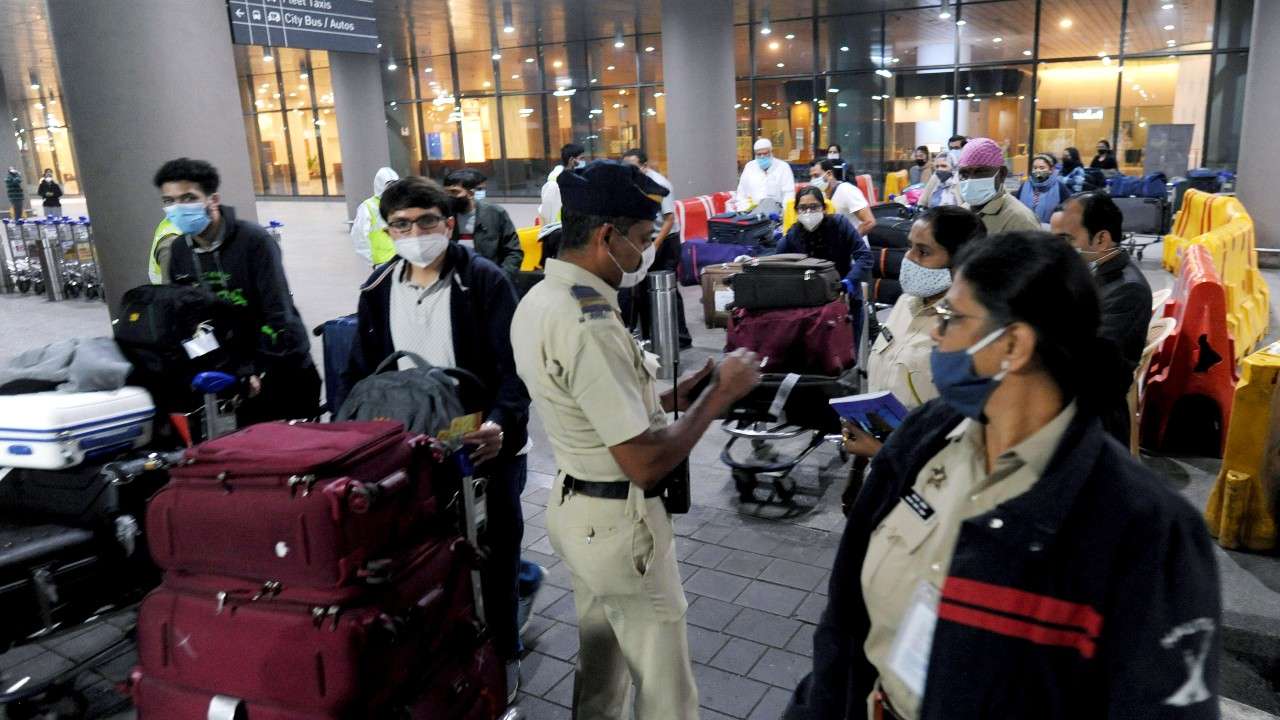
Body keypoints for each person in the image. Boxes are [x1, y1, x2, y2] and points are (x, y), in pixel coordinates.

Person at [787, 231, 1221, 720]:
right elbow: (844, 622)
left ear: (1013, 344)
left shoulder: (1144, 531)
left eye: (951, 319)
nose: (935, 333)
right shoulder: (923, 439)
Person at [511, 160, 762, 720]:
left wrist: (696, 386)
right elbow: (645, 462)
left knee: (601, 664)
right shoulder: (589, 322)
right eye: (645, 238)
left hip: (579, 512)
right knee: (664, 684)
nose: (648, 250)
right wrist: (720, 399)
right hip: (621, 525)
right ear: (607, 235)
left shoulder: (543, 300)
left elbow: (610, 404)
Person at [343, 175, 537, 703]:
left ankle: (504, 651)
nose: (415, 232)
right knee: (435, 555)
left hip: (484, 442)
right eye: (401, 224)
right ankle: (451, 654)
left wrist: (502, 424)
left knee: (495, 549)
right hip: (417, 450)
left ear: (449, 224)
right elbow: (365, 376)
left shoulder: (485, 282)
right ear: (388, 231)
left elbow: (515, 370)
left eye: (427, 221)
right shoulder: (377, 290)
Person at [159, 157, 320, 425]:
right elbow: (190, 319)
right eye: (169, 201)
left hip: (282, 368)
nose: (178, 208)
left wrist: (258, 369)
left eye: (188, 198)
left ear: (213, 199)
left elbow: (277, 313)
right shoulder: (179, 252)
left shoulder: (253, 241)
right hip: (234, 373)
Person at [1050, 191, 1153, 442]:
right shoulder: (1088, 274)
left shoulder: (1126, 290)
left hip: (1094, 418)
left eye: (1066, 239)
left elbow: (1089, 362)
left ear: (1101, 239)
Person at [864, 206, 986, 412]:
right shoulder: (905, 302)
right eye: (909, 246)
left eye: (923, 251)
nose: (908, 258)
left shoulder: (973, 326)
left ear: (961, 262)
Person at [780, 185, 873, 346]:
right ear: (796, 211)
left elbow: (864, 256)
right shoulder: (792, 236)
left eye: (814, 207)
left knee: (848, 354)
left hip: (846, 301)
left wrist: (850, 281)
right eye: (802, 208)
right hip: (810, 307)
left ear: (823, 208)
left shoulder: (840, 225)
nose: (808, 212)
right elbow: (778, 266)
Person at [618, 148, 692, 348]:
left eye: (633, 167)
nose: (629, 171)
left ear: (644, 166)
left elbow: (669, 219)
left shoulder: (660, 184)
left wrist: (654, 248)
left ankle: (681, 337)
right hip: (646, 241)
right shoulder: (630, 183)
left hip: (666, 239)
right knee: (642, 289)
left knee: (666, 287)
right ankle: (651, 336)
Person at [443, 168, 523, 276]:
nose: (449, 197)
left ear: (470, 194)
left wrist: (502, 277)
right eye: (446, 193)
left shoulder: (495, 214)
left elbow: (513, 252)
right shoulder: (442, 216)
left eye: (454, 192)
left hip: (489, 278)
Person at [955, 137, 1040, 234]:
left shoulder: (1020, 220)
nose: (971, 180)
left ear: (1002, 174)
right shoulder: (962, 212)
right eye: (964, 173)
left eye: (981, 172)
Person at [349, 166, 399, 266]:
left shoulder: (400, 203)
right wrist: (371, 260)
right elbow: (358, 236)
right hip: (382, 263)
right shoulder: (368, 207)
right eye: (389, 185)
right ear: (380, 186)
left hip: (402, 260)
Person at [810, 159, 875, 236]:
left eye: (816, 176)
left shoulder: (847, 190)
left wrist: (849, 242)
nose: (813, 180)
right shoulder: (821, 195)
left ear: (829, 174)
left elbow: (869, 222)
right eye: (811, 176)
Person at [736, 137, 794, 214]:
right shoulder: (749, 167)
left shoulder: (783, 167)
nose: (762, 157)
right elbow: (741, 193)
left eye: (765, 153)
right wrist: (744, 211)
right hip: (753, 212)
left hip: (777, 211)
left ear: (771, 152)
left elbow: (788, 193)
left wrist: (785, 213)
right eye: (759, 154)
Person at [1016, 153, 1070, 225]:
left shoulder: (1060, 187)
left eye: (1042, 168)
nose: (1037, 171)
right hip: (1025, 230)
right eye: (1035, 168)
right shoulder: (1025, 185)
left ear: (1051, 170)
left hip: (1049, 232)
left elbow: (1068, 212)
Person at [539, 142, 585, 225]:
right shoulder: (554, 185)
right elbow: (547, 215)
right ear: (571, 160)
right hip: (559, 231)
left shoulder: (575, 180)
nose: (584, 162)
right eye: (581, 159)